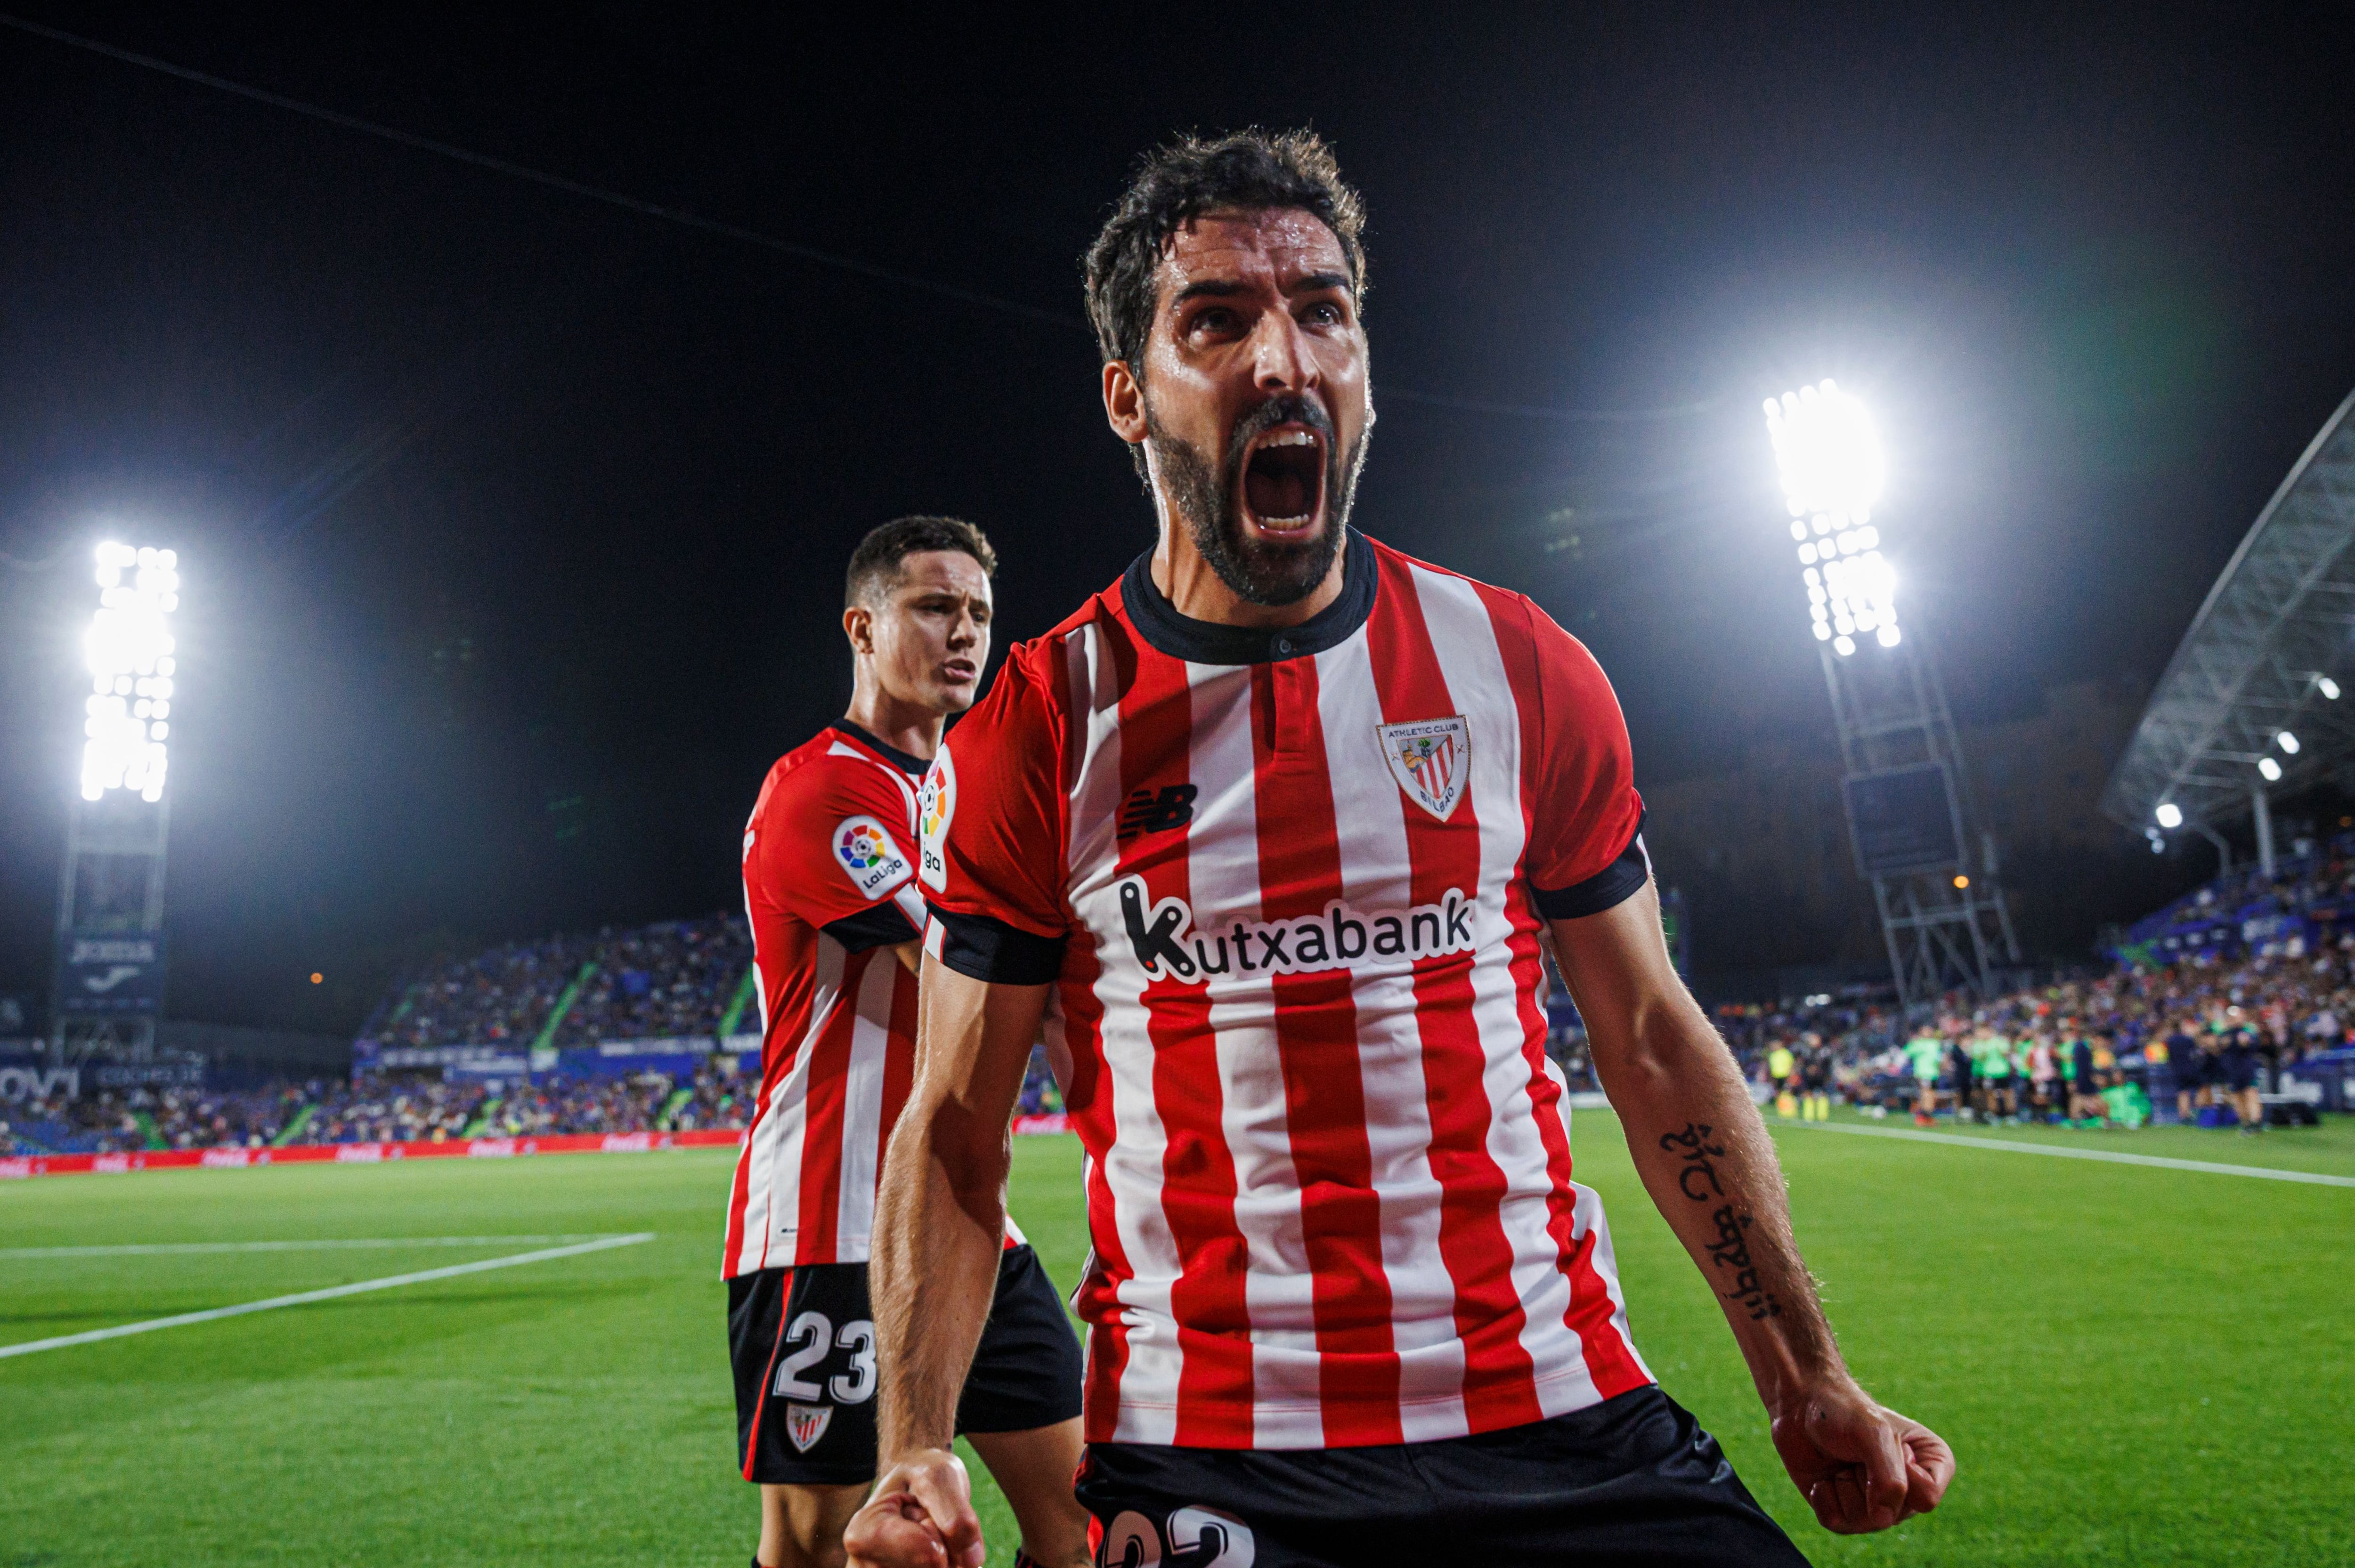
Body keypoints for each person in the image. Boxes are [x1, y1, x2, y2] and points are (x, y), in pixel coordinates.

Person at [847, 129, 1951, 1568]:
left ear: (1363, 369)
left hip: (1571, 1422)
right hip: (1219, 1462)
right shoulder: (1047, 723)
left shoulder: (1522, 666)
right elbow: (953, 1130)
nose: (1282, 358)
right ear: (1130, 398)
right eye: (1217, 319)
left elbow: (1653, 1041)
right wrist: (918, 1442)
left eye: (1322, 310)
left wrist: (1805, 1373)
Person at [729, 517, 1087, 1568]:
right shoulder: (822, 791)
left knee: (1079, 1524)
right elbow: (961, 976)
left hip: (968, 1224)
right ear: (864, 626)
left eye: (977, 611)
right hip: (830, 1228)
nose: (965, 632)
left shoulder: (963, 795)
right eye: (935, 607)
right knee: (826, 1546)